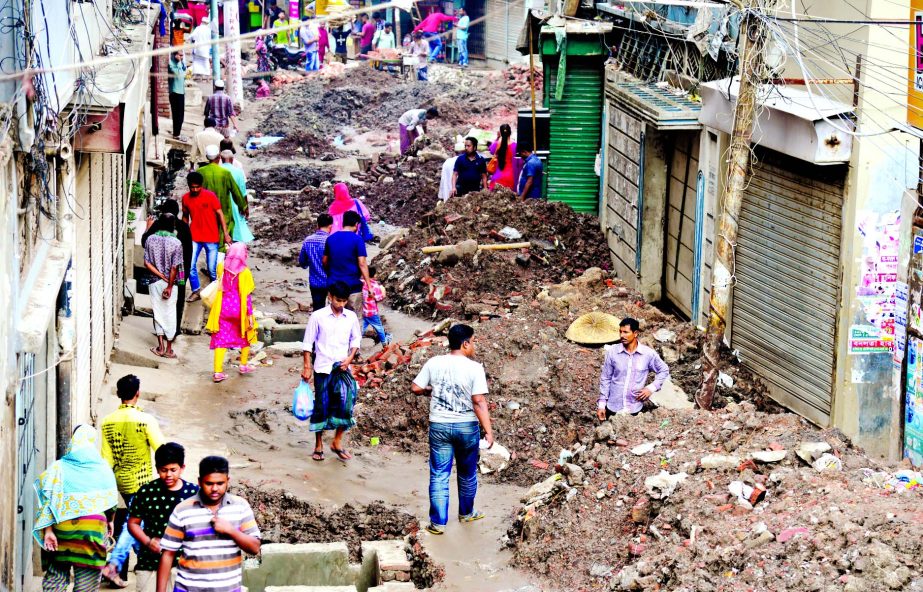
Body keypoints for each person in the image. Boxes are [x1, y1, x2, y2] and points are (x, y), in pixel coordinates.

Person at [411, 324, 494, 535]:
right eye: (473, 341)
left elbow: (416, 388)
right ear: (465, 343)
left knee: (439, 474)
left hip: (439, 425)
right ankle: (466, 514)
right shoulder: (474, 368)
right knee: (467, 474)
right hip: (466, 427)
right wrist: (488, 431)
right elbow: (478, 401)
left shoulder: (434, 362)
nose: (473, 346)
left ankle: (437, 523)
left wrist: (431, 389)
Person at [100, 375, 167, 587]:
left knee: (130, 522)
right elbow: (161, 450)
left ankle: (121, 568)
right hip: (142, 482)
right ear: (137, 393)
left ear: (119, 394)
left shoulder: (107, 422)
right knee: (136, 525)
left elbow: (106, 460)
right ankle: (123, 565)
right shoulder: (145, 420)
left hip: (120, 482)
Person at [33, 425, 119, 592]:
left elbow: (47, 498)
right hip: (92, 531)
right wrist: (110, 521)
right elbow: (111, 502)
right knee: (87, 584)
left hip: (61, 530)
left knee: (55, 578)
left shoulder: (58, 467)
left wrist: (49, 530)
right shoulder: (103, 468)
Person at [157, 456, 261, 592]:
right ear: (199, 482)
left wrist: (231, 531)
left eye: (220, 483)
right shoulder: (182, 510)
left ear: (227, 481)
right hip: (188, 588)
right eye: (209, 483)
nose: (214, 489)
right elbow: (168, 554)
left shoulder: (240, 506)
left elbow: (254, 548)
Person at [301, 281, 361, 461]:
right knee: (321, 406)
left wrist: (349, 359)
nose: (340, 305)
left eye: (344, 301)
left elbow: (356, 340)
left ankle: (337, 441)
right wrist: (306, 366)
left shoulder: (350, 317)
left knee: (347, 403)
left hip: (342, 367)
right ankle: (318, 445)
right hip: (322, 367)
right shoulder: (318, 316)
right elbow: (307, 343)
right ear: (329, 296)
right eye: (338, 300)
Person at [127, 443, 199, 592]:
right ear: (157, 468)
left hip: (184, 565)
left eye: (173, 470)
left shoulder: (194, 493)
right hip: (150, 562)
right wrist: (148, 542)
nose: (168, 475)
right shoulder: (147, 491)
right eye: (163, 470)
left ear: (182, 468)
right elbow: (133, 523)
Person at [597, 317, 671, 419]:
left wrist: (651, 388)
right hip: (613, 407)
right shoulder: (613, 352)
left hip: (634, 410)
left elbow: (664, 370)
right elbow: (605, 378)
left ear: (635, 333)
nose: (622, 335)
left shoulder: (648, 354)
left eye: (626, 332)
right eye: (620, 332)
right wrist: (601, 405)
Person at [206, 242, 258, 382]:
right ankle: (243, 365)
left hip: (222, 308)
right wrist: (250, 315)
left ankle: (218, 372)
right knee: (246, 334)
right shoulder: (245, 272)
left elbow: (219, 280)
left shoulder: (221, 266)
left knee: (220, 339)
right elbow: (247, 295)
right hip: (239, 310)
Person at [181, 171, 229, 302]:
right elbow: (185, 217)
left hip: (211, 237)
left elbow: (220, 214)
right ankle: (196, 291)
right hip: (194, 237)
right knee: (190, 265)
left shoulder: (210, 196)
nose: (195, 189)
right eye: (192, 187)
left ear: (201, 185)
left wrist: (226, 234)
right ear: (189, 186)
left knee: (212, 269)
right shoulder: (185, 198)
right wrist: (183, 234)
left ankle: (217, 293)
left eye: (197, 187)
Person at [143, 200, 192, 326]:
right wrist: (185, 274)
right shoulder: (184, 227)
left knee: (159, 301)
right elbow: (188, 253)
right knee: (177, 300)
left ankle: (160, 328)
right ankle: (174, 329)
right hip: (177, 275)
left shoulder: (157, 224)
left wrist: (147, 227)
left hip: (158, 274)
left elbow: (145, 242)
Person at [143, 214, 184, 359]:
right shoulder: (176, 243)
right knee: (170, 313)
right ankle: (168, 349)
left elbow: (146, 263)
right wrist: (169, 285)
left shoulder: (150, 239)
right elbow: (174, 268)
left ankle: (160, 347)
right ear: (173, 225)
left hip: (154, 282)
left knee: (158, 313)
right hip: (171, 284)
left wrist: (160, 276)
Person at [197, 144, 248, 250]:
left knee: (209, 236)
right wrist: (242, 206)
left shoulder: (200, 172)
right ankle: (221, 256)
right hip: (224, 210)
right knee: (223, 233)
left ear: (207, 157)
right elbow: (236, 193)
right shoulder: (225, 173)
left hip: (205, 210)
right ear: (218, 157)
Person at [323, 210, 373, 314]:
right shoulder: (358, 239)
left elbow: (324, 261)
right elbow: (362, 263)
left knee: (334, 318)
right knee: (355, 319)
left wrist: (330, 274)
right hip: (353, 286)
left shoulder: (330, 238)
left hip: (334, 286)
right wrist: (369, 285)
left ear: (343, 223)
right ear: (356, 224)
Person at [299, 213, 333, 311]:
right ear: (331, 226)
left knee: (318, 310)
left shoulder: (308, 241)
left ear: (317, 225)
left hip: (315, 282)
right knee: (334, 311)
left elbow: (302, 263)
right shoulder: (331, 240)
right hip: (331, 281)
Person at [362, 266, 391, 344]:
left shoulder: (362, 283)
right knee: (379, 328)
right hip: (372, 312)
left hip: (363, 311)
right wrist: (383, 293)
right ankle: (384, 343)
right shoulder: (375, 286)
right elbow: (379, 298)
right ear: (374, 275)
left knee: (360, 328)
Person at [489, 124, 518, 190]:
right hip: (510, 176)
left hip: (497, 175)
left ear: (500, 133)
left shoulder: (496, 144)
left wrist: (497, 138)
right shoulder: (515, 145)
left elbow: (491, 151)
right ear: (510, 133)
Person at [168, 52, 187, 139]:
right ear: (175, 55)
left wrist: (181, 62)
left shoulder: (182, 64)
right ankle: (176, 134)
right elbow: (178, 74)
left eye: (182, 55)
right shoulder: (171, 64)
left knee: (181, 116)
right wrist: (179, 62)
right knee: (176, 115)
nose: (181, 57)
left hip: (181, 92)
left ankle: (177, 132)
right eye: (179, 55)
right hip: (175, 92)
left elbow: (184, 71)